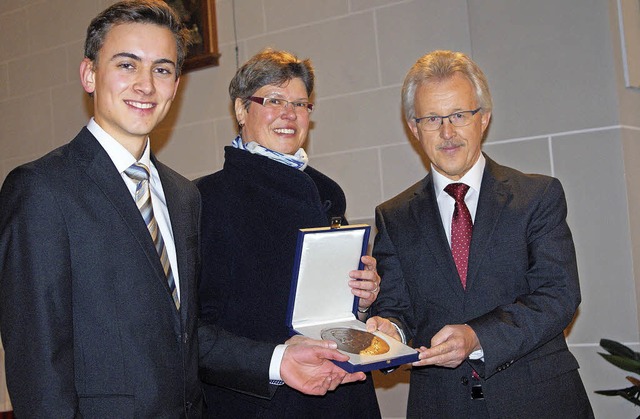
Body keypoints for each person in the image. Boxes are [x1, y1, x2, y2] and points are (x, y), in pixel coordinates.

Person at [0, 2, 365, 417]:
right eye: (126, 65)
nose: (145, 85)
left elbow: (188, 337)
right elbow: (38, 365)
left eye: (162, 69)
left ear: (175, 85)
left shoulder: (180, 195)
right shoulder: (43, 189)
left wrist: (278, 360)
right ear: (89, 74)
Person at [366, 50, 594, 418]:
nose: (447, 132)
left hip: (539, 401)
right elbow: (396, 309)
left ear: (484, 118)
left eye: (459, 115)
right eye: (432, 118)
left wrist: (477, 337)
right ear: (413, 128)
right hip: (441, 406)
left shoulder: (537, 196)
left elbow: (558, 295)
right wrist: (389, 331)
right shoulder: (393, 216)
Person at [196, 48, 382, 418]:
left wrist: (361, 299)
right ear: (239, 109)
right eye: (274, 100)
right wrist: (278, 358)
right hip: (263, 400)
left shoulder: (328, 192)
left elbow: (327, 302)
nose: (289, 114)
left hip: (341, 391)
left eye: (300, 103)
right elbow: (194, 332)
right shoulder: (204, 200)